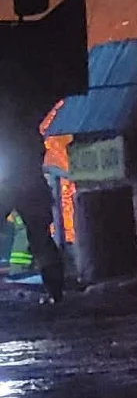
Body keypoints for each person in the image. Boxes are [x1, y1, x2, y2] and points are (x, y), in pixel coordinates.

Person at [0, 101, 65, 302]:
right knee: (41, 238)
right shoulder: (25, 129)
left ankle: (55, 290)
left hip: (16, 185)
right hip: (26, 186)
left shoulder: (16, 131)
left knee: (40, 238)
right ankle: (56, 291)